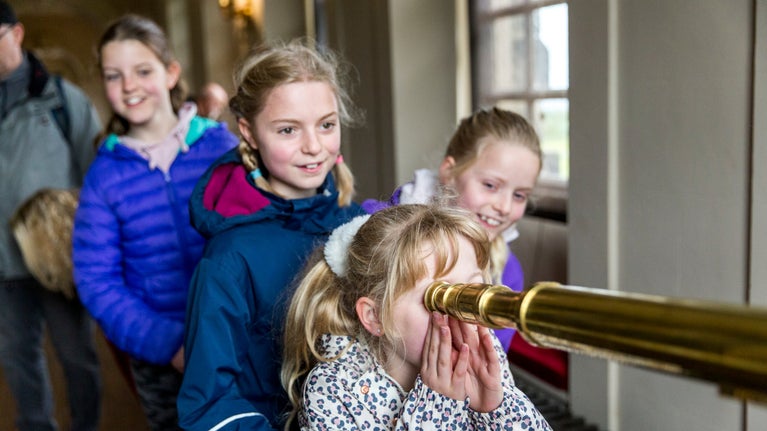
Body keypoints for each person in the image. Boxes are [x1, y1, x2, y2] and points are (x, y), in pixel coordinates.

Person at [178, 39, 366, 431]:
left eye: (327, 125)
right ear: (249, 132)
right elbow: (207, 405)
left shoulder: (356, 222)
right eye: (287, 130)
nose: (314, 147)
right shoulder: (229, 256)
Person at [71, 14, 238, 431]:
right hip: (161, 357)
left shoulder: (220, 147)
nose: (129, 86)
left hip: (236, 338)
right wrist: (168, 344)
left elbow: (253, 236)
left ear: (170, 72)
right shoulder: (104, 176)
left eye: (142, 71)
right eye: (114, 76)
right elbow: (96, 279)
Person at [281, 204, 552, 430]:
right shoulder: (333, 390)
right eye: (437, 299)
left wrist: (498, 407)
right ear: (376, 317)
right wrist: (437, 409)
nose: (462, 318)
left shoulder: (480, 351)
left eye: (472, 291)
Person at [361, 107, 542, 351]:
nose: (504, 207)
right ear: (449, 172)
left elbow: (493, 360)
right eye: (490, 185)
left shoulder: (507, 273)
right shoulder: (373, 226)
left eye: (519, 195)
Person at [0, 1, 102, 430]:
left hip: (59, 260)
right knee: (18, 358)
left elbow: (95, 176)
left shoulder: (61, 98)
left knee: (77, 358)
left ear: (16, 34)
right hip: (3, 263)